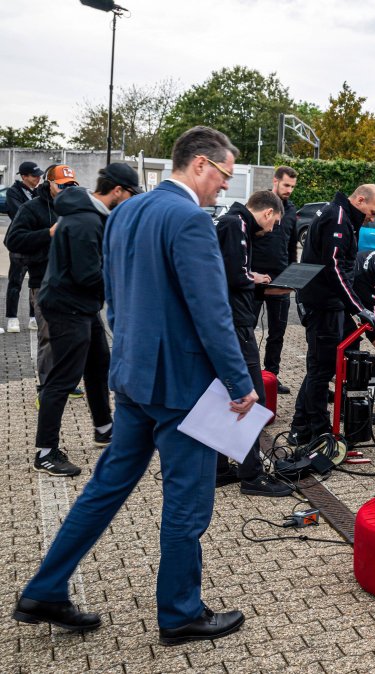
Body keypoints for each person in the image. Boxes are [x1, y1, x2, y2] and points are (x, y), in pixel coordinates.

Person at [11, 126, 255, 645]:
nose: (224, 186)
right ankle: (180, 613)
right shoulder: (191, 219)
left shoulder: (125, 211)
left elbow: (116, 295)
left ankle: (46, 588)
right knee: (187, 501)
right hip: (182, 388)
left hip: (134, 378)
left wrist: (127, 352)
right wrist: (239, 382)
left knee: (106, 486)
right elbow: (212, 312)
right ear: (201, 164)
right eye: (225, 174)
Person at [31, 163, 140, 477]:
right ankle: (45, 452)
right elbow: (87, 275)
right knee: (62, 379)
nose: (130, 201)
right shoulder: (85, 221)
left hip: (82, 306)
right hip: (67, 307)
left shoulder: (92, 215)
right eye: (130, 194)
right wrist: (124, 278)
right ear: (117, 190)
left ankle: (104, 428)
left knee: (98, 365)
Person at [289, 184, 375, 445]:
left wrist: (352, 308)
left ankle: (303, 427)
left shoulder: (340, 215)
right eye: (373, 213)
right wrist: (358, 308)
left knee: (322, 367)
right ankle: (317, 433)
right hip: (322, 305)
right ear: (360, 200)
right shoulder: (338, 218)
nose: (372, 219)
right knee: (320, 370)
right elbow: (334, 268)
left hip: (328, 303)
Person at [214, 190, 292, 497]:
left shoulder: (232, 223)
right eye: (274, 223)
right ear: (268, 213)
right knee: (251, 396)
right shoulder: (237, 225)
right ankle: (252, 476)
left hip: (229, 322)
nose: (272, 230)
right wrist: (255, 279)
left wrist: (251, 278)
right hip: (236, 324)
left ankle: (220, 468)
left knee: (227, 396)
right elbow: (233, 276)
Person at [7, 164, 77, 389]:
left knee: (71, 336)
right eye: (62, 186)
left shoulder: (75, 207)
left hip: (71, 283)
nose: (67, 190)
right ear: (49, 183)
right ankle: (47, 389)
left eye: (71, 186)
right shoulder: (31, 208)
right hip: (44, 282)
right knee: (48, 337)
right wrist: (48, 233)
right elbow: (13, 240)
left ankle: (66, 383)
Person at [251, 166, 300, 394]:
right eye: (286, 185)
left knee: (277, 332)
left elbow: (292, 245)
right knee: (247, 329)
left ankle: (272, 376)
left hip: (281, 281)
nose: (289, 190)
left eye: (292, 186)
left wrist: (293, 275)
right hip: (254, 279)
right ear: (275, 181)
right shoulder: (261, 205)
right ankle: (250, 376)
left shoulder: (292, 211)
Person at [4, 161, 43, 333]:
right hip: (20, 243)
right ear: (24, 176)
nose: (38, 179)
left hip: (36, 242)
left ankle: (34, 317)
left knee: (36, 281)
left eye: (39, 176)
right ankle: (12, 318)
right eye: (34, 176)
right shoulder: (13, 192)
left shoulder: (38, 192)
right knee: (15, 281)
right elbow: (18, 214)